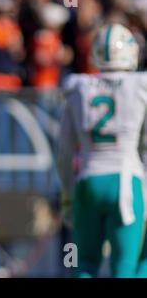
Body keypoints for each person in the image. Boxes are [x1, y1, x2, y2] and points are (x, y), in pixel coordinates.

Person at [57, 23, 146, 277]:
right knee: (125, 268)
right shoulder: (140, 85)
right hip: (126, 181)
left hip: (88, 181)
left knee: (85, 264)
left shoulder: (78, 86)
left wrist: (68, 195)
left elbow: (63, 151)